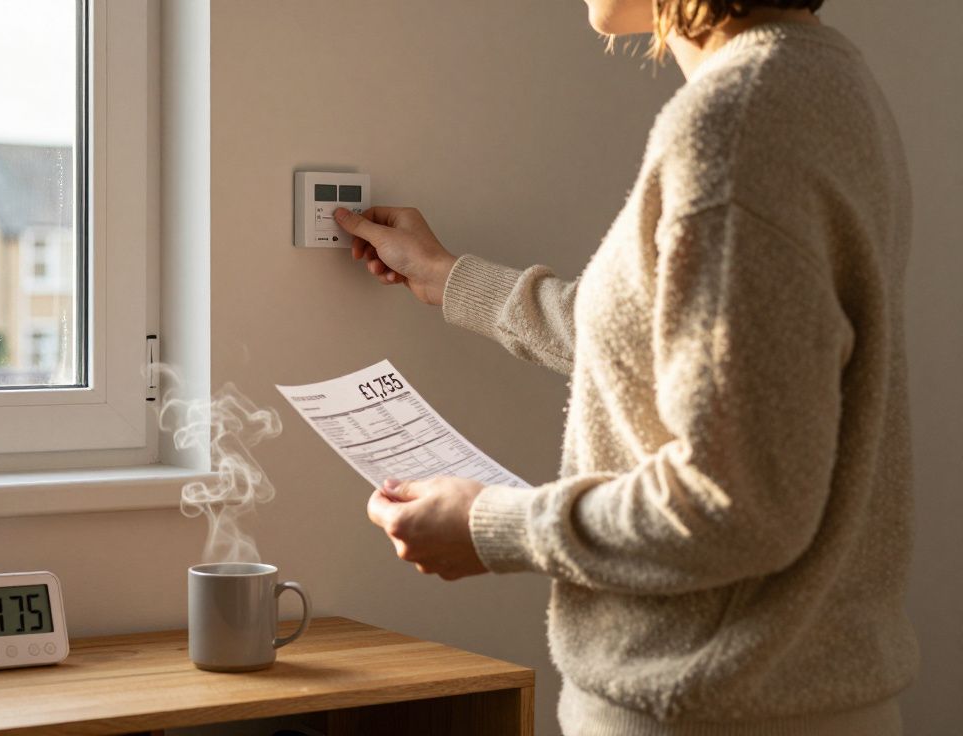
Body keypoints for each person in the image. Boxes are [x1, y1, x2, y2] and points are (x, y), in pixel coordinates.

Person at [339, 1, 916, 734]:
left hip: (713, 706)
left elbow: (736, 507)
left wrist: (492, 526)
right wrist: (452, 279)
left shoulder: (736, 126)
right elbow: (663, 342)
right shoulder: (820, 83)